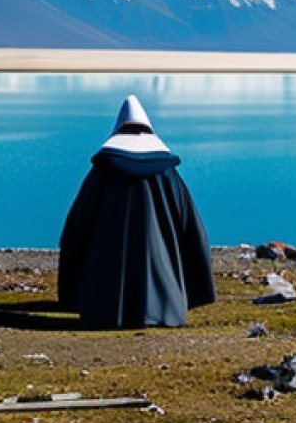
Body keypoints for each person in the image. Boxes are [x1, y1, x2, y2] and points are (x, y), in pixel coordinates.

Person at [58, 95, 216, 328]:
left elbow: (77, 230)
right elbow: (192, 231)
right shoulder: (167, 174)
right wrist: (198, 291)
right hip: (167, 308)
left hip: (103, 309)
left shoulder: (102, 173)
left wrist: (72, 293)